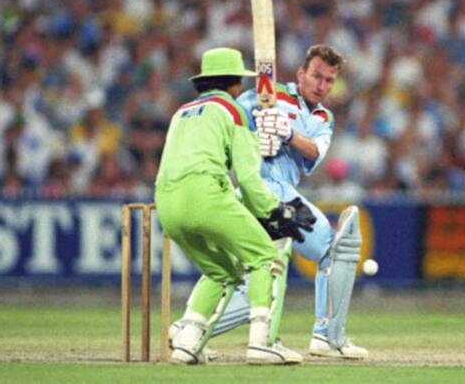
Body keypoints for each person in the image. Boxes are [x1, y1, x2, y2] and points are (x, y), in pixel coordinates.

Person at [196, 44, 369, 359]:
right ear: (301, 74)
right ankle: (328, 337)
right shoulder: (269, 93)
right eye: (316, 76)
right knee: (334, 249)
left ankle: (189, 332)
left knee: (256, 279)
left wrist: (287, 134)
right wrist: (254, 135)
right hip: (258, 185)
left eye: (329, 81)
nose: (321, 85)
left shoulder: (323, 117)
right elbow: (231, 120)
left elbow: (314, 151)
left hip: (277, 191)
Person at [156, 47, 315, 365]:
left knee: (220, 272)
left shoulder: (181, 112)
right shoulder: (234, 111)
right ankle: (261, 343)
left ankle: (187, 343)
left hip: (166, 203)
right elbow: (247, 177)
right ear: (233, 83)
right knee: (265, 257)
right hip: (205, 195)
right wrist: (276, 209)